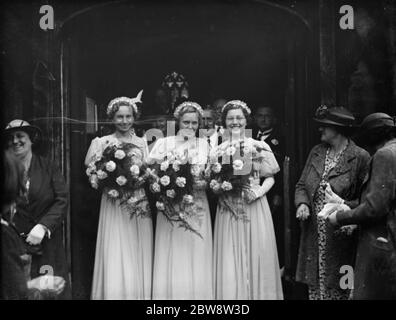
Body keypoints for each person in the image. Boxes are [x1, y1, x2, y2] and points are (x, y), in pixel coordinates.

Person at [295, 106, 370, 300]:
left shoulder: (360, 157)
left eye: (324, 126)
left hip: (342, 237)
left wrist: (342, 203)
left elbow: (366, 203)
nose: (320, 130)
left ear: (338, 129)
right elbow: (302, 185)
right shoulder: (317, 152)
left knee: (343, 288)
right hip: (314, 235)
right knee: (315, 288)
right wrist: (302, 204)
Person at [213, 100, 283, 300]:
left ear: (246, 120)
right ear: (225, 122)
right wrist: (219, 187)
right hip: (228, 205)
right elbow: (214, 179)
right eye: (230, 118)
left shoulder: (259, 145)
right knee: (231, 252)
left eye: (239, 118)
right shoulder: (218, 150)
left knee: (257, 250)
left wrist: (259, 192)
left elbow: (270, 176)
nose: (235, 122)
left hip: (253, 203)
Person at [85, 95, 153, 300]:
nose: (124, 121)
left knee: (136, 248)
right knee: (116, 246)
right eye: (119, 117)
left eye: (128, 116)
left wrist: (139, 179)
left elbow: (148, 172)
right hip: (114, 202)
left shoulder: (141, 143)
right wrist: (106, 180)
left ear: (134, 117)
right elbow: (92, 173)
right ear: (112, 118)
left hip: (138, 199)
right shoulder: (102, 142)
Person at [148, 101, 213, 299]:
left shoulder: (204, 144)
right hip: (171, 204)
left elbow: (210, 174)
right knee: (173, 250)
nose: (190, 127)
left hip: (197, 203)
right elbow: (149, 170)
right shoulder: (164, 143)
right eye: (186, 122)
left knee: (196, 248)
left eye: (195, 123)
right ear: (178, 122)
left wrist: (205, 182)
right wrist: (162, 184)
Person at [328, 112, 396, 299]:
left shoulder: (384, 155)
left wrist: (339, 218)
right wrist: (344, 203)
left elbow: (375, 208)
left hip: (381, 244)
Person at [4, 119, 70, 299]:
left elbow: (61, 199)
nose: (15, 141)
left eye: (20, 136)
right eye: (10, 138)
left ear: (31, 139)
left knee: (51, 290)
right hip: (16, 246)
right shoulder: (5, 171)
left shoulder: (48, 166)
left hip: (46, 245)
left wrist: (43, 226)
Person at [252, 106, 285, 269]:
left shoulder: (280, 138)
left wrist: (279, 194)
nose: (263, 119)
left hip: (273, 190)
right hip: (252, 191)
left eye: (267, 116)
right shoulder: (249, 137)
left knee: (272, 226)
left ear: (274, 119)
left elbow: (281, 171)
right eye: (260, 115)